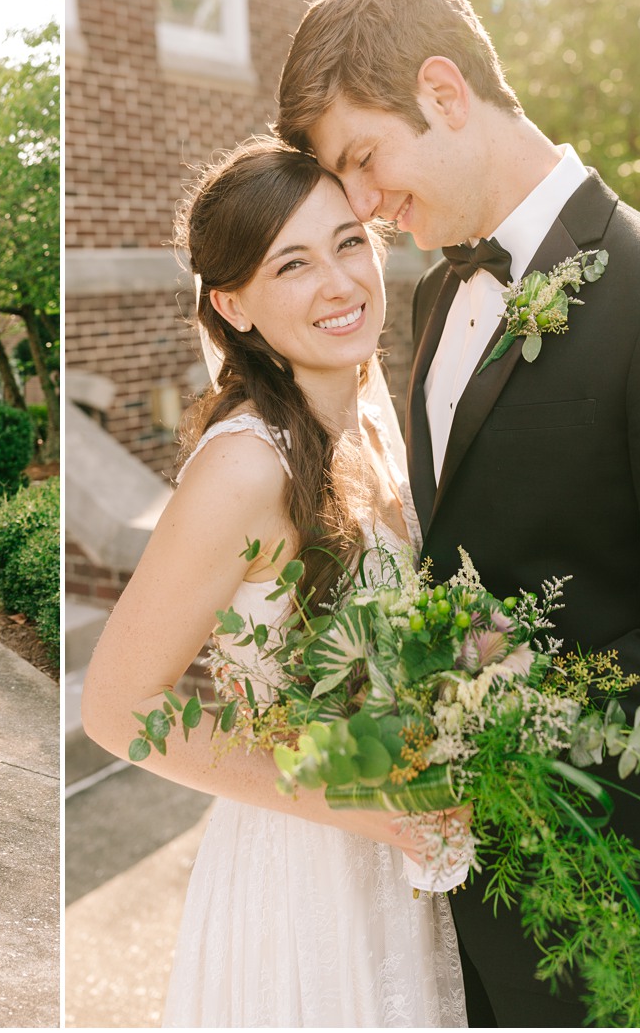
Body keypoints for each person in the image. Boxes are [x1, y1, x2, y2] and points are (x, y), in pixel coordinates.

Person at [276, 0, 640, 1027]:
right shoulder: (429, 296)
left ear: (444, 92)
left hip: (610, 895)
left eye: (365, 160)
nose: (363, 206)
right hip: (457, 882)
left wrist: (502, 696)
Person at [81, 137, 467, 1027]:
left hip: (412, 855)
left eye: (348, 242)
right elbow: (114, 708)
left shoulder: (373, 414)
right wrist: (369, 802)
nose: (339, 282)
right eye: (292, 263)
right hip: (308, 880)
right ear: (233, 304)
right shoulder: (244, 467)